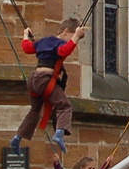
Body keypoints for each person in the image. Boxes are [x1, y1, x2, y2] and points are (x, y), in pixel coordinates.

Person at [11, 19, 84, 154]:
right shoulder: (60, 44)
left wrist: (25, 36)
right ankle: (59, 133)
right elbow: (64, 51)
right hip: (45, 80)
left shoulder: (43, 42)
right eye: (72, 35)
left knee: (35, 110)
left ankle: (17, 137)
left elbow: (27, 48)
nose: (74, 41)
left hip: (33, 80)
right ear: (66, 31)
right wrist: (76, 36)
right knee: (65, 106)